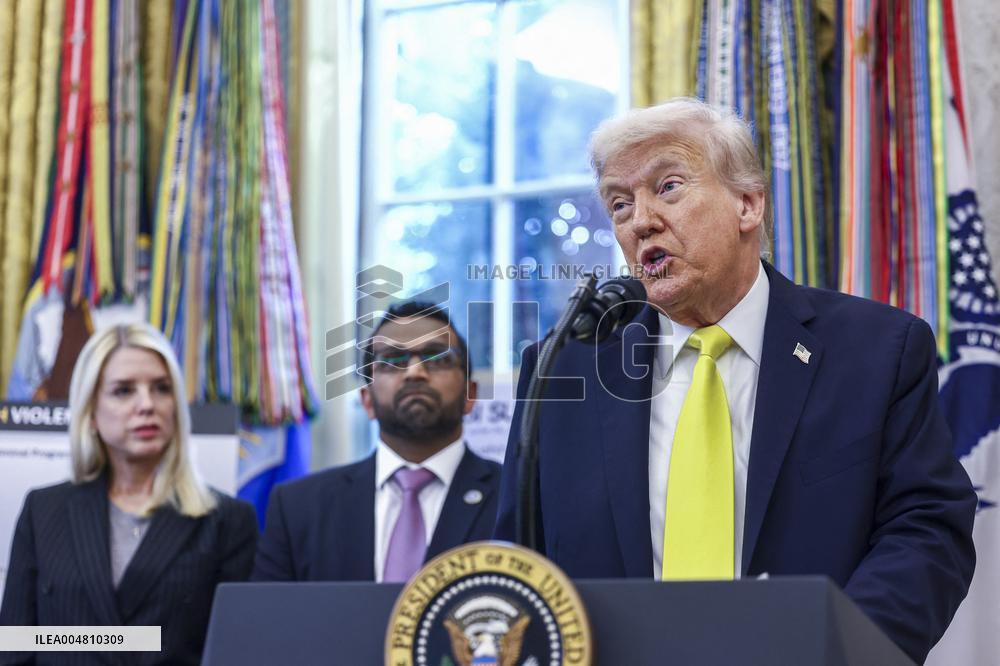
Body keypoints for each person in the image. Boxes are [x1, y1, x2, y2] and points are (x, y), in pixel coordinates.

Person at [494, 98, 977, 663]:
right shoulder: (564, 369)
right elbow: (518, 560)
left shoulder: (876, 351)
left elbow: (926, 529)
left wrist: (839, 650)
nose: (641, 220)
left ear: (748, 203)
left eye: (668, 186)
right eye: (620, 205)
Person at [0, 322, 257, 665]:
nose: (147, 404)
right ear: (90, 411)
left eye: (162, 388)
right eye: (124, 391)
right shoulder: (44, 510)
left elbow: (238, 651)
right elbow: (15, 643)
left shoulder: (227, 521)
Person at [253, 301, 500, 583]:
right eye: (393, 361)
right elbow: (269, 622)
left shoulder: (517, 498)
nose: (415, 372)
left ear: (470, 395)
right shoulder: (298, 507)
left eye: (437, 358)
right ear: (367, 400)